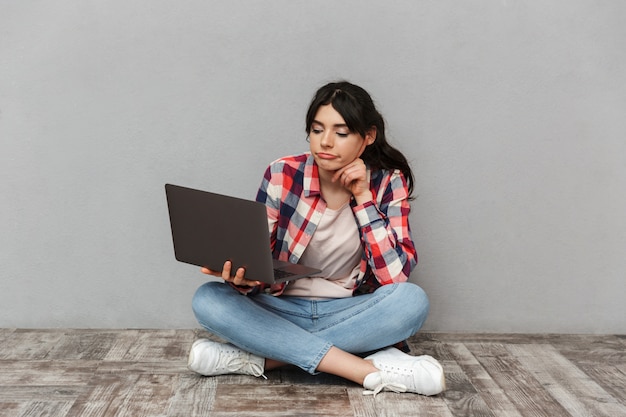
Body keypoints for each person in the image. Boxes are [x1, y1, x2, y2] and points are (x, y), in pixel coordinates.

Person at [188, 81, 445, 396]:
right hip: (281, 307)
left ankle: (261, 358)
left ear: (368, 136)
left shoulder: (388, 182)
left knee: (412, 301)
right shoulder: (282, 174)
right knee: (208, 299)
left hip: (351, 311)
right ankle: (364, 369)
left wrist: (363, 197)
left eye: (341, 133)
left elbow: (395, 277)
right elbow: (259, 261)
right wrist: (242, 278)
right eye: (316, 129)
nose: (325, 142)